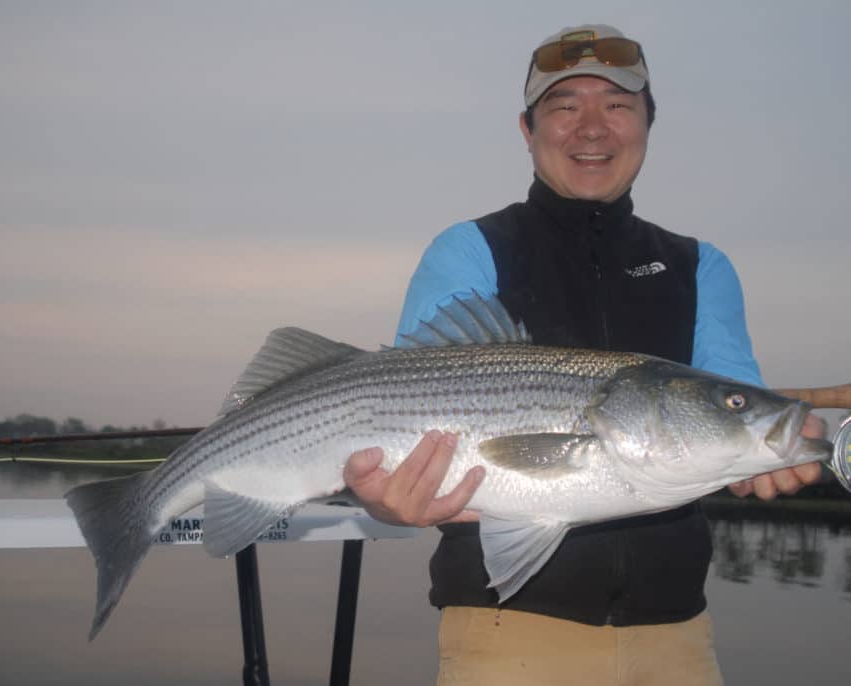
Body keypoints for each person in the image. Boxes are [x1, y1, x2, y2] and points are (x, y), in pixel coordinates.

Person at [343, 23, 823, 685]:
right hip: (505, 637)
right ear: (527, 128)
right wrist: (385, 497)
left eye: (619, 106)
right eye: (565, 107)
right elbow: (399, 417)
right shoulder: (469, 248)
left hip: (678, 636)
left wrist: (769, 448)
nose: (592, 128)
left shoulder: (699, 266)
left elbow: (733, 401)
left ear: (649, 124)